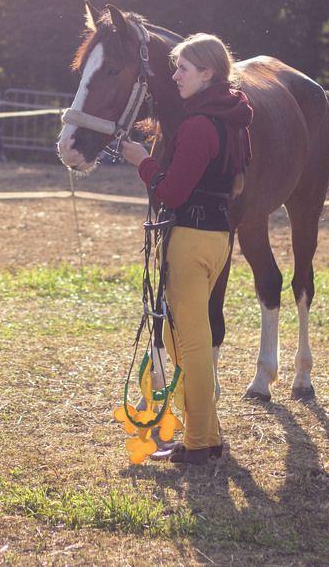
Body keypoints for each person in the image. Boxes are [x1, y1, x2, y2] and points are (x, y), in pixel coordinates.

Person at [121, 33, 253, 464]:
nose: (173, 75)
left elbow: (172, 194)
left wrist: (142, 161)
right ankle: (206, 434)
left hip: (191, 240)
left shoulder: (198, 126)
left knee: (191, 346)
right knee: (182, 342)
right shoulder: (234, 123)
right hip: (217, 238)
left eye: (182, 68)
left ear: (208, 73)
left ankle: (199, 443)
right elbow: (237, 184)